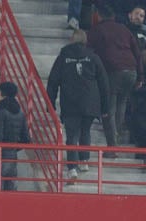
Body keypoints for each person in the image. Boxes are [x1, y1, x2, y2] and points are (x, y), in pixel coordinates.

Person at [47, 31, 112, 177]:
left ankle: (72, 167)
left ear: (71, 40)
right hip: (90, 103)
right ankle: (84, 160)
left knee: (71, 135)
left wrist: (50, 103)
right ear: (85, 41)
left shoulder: (63, 57)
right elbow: (104, 84)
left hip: (70, 102)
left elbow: (52, 81)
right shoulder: (93, 57)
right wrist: (105, 107)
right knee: (85, 131)